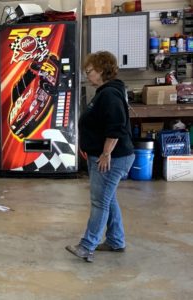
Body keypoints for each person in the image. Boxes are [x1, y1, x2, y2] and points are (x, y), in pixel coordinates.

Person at [66, 51, 135, 263]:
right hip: (105, 155)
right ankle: (116, 240)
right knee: (108, 199)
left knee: (99, 202)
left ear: (102, 71)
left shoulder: (109, 94)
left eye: (90, 71)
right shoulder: (107, 91)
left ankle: (87, 246)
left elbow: (116, 127)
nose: (88, 75)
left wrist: (105, 153)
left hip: (111, 159)